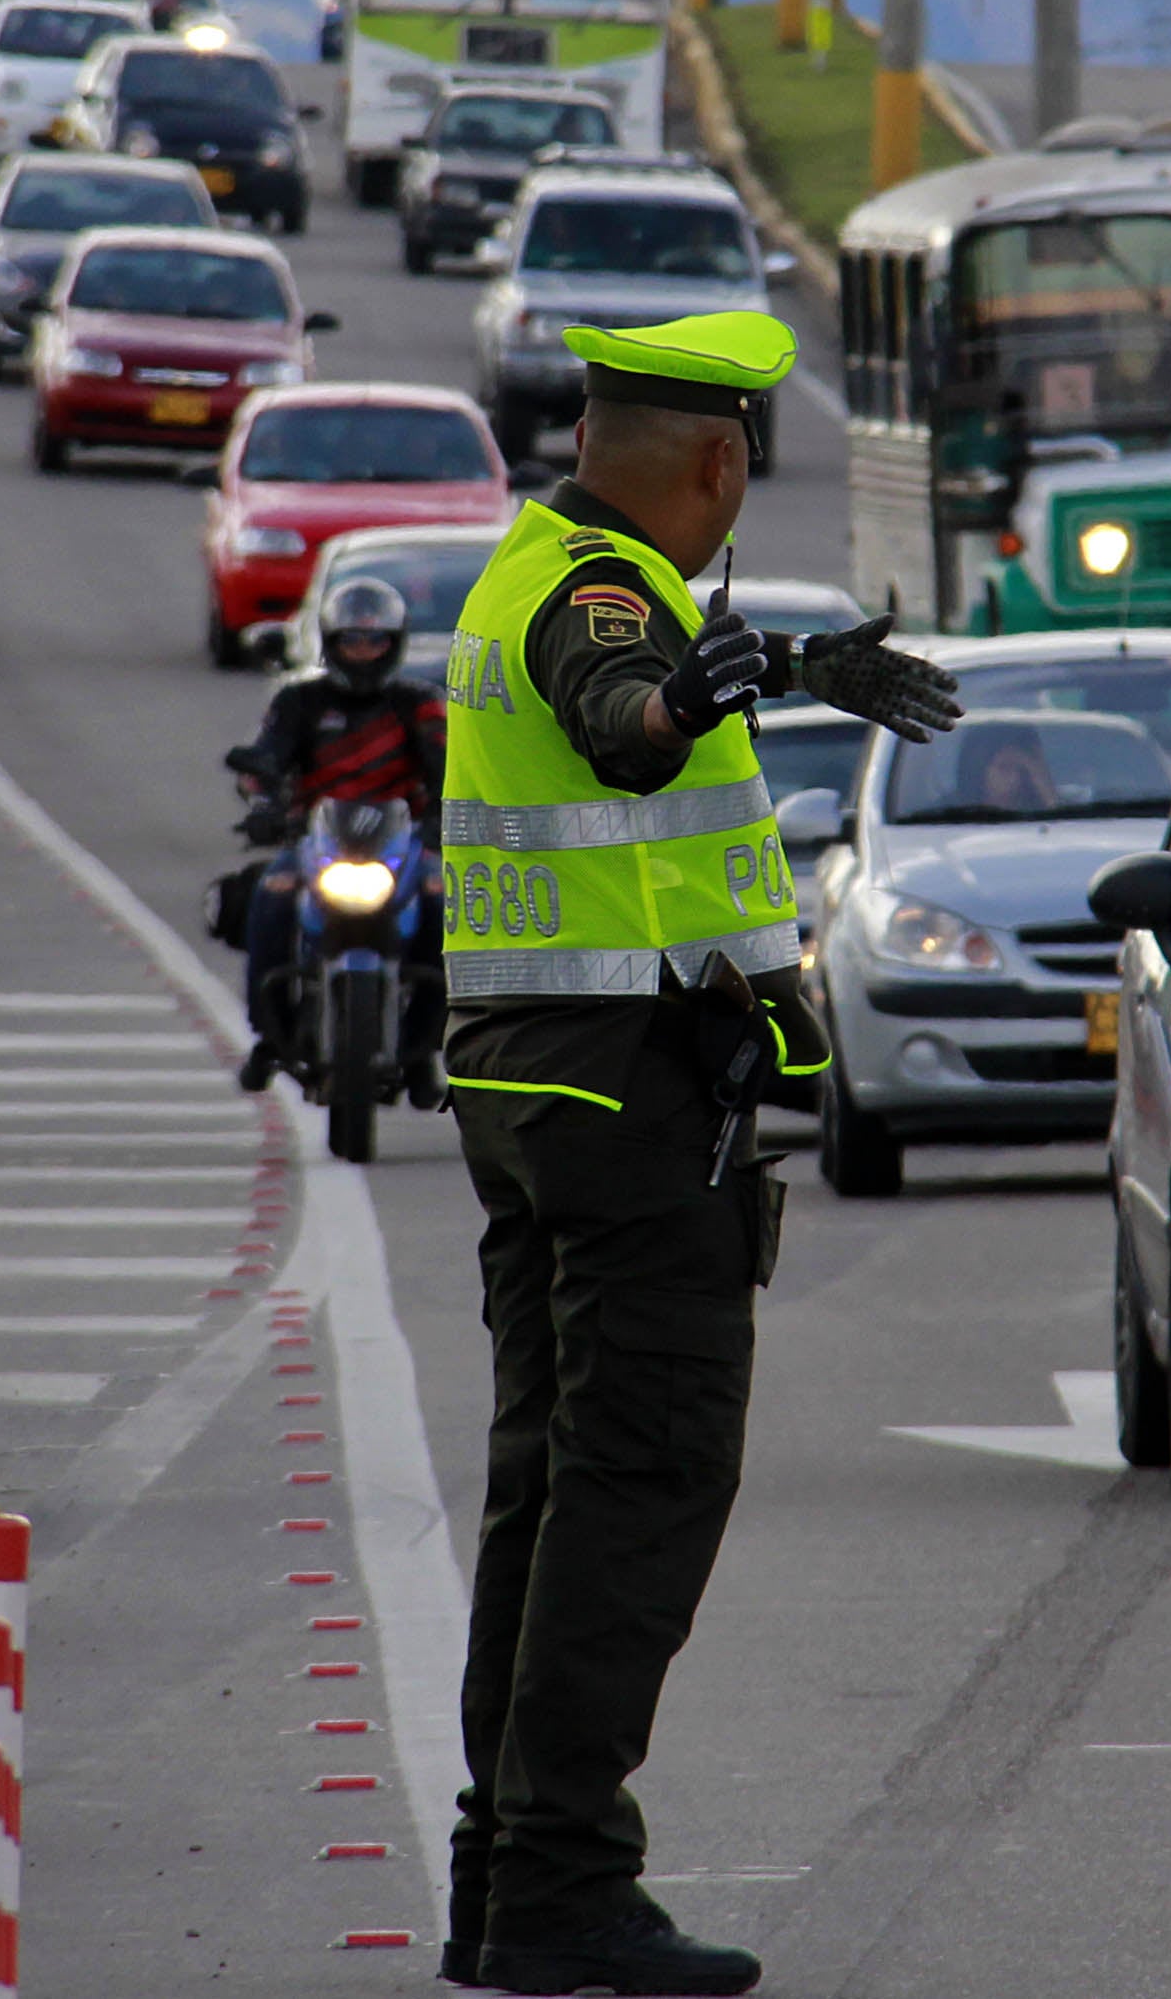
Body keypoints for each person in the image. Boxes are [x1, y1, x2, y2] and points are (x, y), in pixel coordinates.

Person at [438, 311, 960, 1998]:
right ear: (722, 461)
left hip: (543, 1095)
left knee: (551, 1484)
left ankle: (505, 1876)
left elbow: (628, 708)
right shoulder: (603, 602)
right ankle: (565, 1879)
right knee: (641, 1478)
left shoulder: (532, 564)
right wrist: (683, 688)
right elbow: (622, 712)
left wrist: (788, 671)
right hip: (627, 1107)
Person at [228, 575, 446, 1094]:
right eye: (353, 640)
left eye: (375, 641)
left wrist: (451, 816)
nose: (364, 652)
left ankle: (423, 1050)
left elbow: (450, 766)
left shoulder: (419, 702)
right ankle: (268, 1035)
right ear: (332, 642)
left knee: (443, 903)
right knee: (271, 897)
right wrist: (262, 803)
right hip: (314, 843)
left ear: (394, 645)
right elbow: (266, 759)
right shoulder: (298, 701)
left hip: (404, 845)